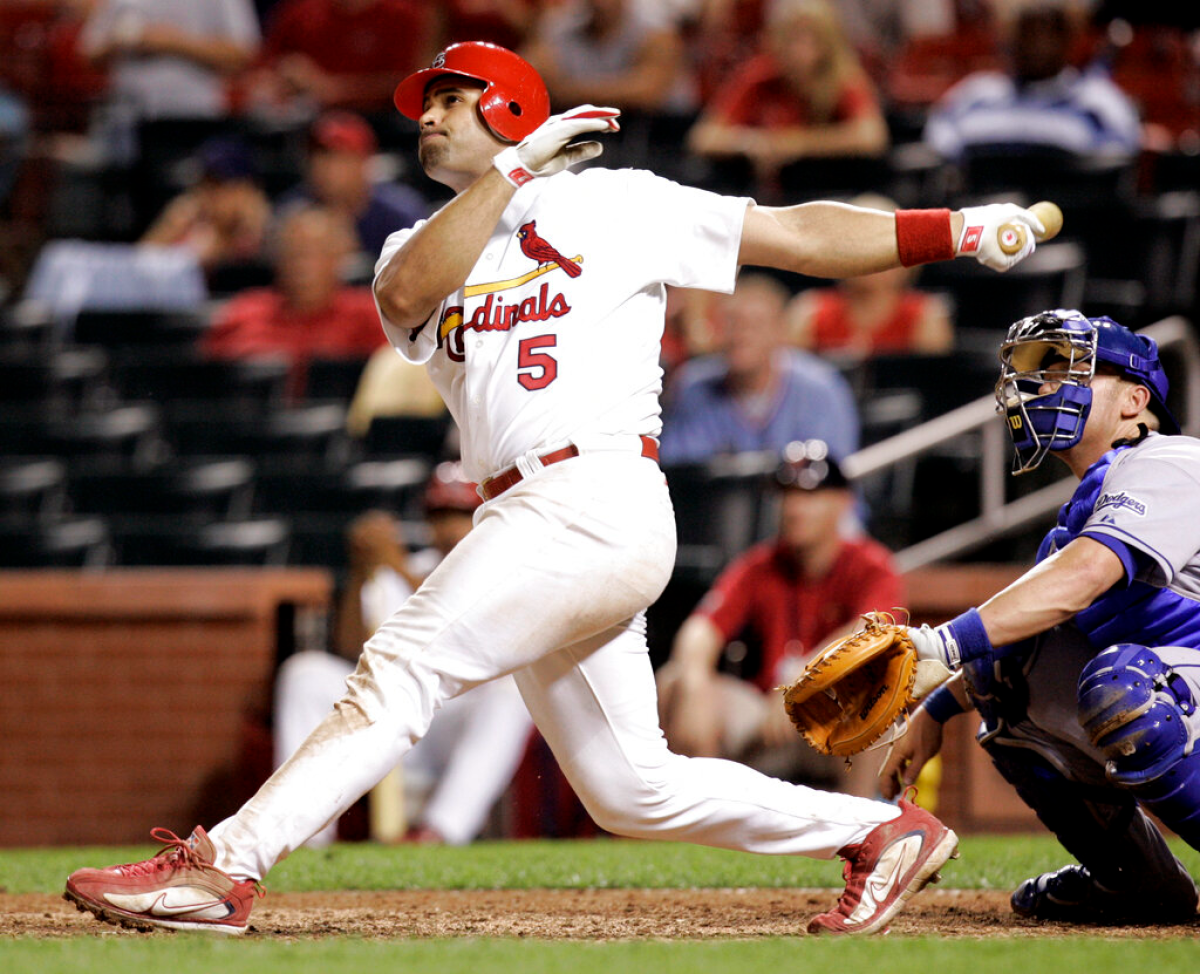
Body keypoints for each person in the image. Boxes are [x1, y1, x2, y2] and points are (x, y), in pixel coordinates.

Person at [64, 40, 1049, 937]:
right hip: (526, 511)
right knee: (632, 788)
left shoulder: (617, 202)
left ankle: (223, 868)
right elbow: (406, 301)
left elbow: (795, 236)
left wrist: (955, 230)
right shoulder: (414, 245)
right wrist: (515, 168)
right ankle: (883, 829)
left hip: (597, 490)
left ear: (508, 106)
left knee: (401, 663)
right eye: (427, 101)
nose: (428, 114)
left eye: (452, 97)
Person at [878, 309, 1200, 925]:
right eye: (1041, 374)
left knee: (1127, 689)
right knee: (1001, 665)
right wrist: (934, 712)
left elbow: (1083, 578)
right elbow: (1028, 626)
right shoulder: (1079, 521)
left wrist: (940, 644)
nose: (1043, 387)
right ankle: (1137, 882)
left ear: (1136, 399)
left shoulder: (1170, 460)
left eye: (1067, 370)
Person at [275, 462, 533, 847]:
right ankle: (302, 835)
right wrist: (363, 572)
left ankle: (439, 832)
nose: (448, 526)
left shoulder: (509, 568)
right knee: (304, 673)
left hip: (455, 723)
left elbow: (465, 631)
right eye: (439, 514)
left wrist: (396, 566)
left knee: (511, 694)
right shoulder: (405, 568)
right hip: (391, 717)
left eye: (461, 513)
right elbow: (350, 648)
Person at [657, 442, 904, 797]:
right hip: (764, 720)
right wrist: (694, 681)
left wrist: (805, 680)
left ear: (842, 503)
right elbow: (701, 630)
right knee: (675, 682)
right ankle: (702, 831)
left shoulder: (872, 566)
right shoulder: (760, 565)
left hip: (829, 717)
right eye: (787, 495)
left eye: (809, 496)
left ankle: (863, 833)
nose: (794, 508)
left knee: (878, 693)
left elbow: (874, 632)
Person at [686, 0, 888, 197]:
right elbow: (704, 137)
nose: (799, 49)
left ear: (828, 41)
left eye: (811, 38)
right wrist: (753, 143)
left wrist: (797, 143)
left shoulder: (843, 78)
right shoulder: (761, 76)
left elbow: (871, 136)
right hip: (772, 198)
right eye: (792, 37)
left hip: (833, 192)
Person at [658, 273, 860, 465]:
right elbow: (682, 473)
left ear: (780, 331)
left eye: (756, 324)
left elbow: (835, 484)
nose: (742, 335)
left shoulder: (820, 388)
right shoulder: (693, 386)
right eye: (732, 323)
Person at [201, 204, 385, 399]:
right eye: (293, 252)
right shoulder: (244, 312)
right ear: (277, 259)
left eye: (315, 252)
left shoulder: (370, 316)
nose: (302, 263)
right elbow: (208, 380)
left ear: (340, 259)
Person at [922, 0, 1141, 164]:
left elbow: (1117, 162)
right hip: (982, 215)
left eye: (1048, 33)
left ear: (1069, 40)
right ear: (1007, 39)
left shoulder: (1099, 102)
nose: (1037, 45)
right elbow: (939, 145)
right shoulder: (974, 95)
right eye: (1026, 33)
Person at [78, 0, 260, 162]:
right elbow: (89, 51)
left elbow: (242, 53)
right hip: (126, 121)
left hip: (190, 119)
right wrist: (122, 41)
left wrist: (174, 42)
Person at [784, 193, 954, 358]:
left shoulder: (925, 316)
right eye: (857, 246)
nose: (870, 261)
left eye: (880, 249)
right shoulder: (809, 313)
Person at [276, 110, 430, 261]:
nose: (325, 168)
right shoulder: (293, 211)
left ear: (363, 161)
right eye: (318, 157)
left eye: (338, 158)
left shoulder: (399, 211)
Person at [139, 134, 271, 277]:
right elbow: (139, 262)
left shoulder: (257, 222)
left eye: (216, 183)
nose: (205, 192)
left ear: (245, 186)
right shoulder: (190, 217)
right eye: (203, 182)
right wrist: (172, 225)